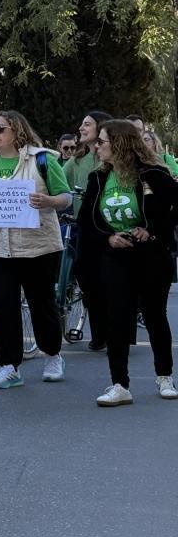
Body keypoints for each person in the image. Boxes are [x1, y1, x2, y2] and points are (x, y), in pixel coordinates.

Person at [0, 110, 70, 390]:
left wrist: (47, 200)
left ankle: (52, 355)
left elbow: (66, 197)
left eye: (0, 128)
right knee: (2, 306)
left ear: (17, 131)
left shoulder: (42, 159)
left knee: (41, 304)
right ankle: (9, 366)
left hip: (38, 247)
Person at [77, 120, 178, 406]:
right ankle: (119, 384)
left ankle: (164, 376)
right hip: (116, 256)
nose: (97, 147)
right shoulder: (98, 178)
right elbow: (87, 220)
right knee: (117, 318)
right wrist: (108, 238)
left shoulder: (154, 174)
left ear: (120, 144)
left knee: (155, 315)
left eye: (103, 142)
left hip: (151, 255)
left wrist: (154, 230)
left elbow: (174, 207)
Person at [63, 111, 112, 350]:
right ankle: (100, 331)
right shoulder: (77, 160)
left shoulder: (109, 158)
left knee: (109, 280)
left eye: (87, 124)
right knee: (88, 280)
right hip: (85, 228)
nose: (81, 128)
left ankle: (111, 333)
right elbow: (60, 184)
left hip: (110, 228)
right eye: (81, 123)